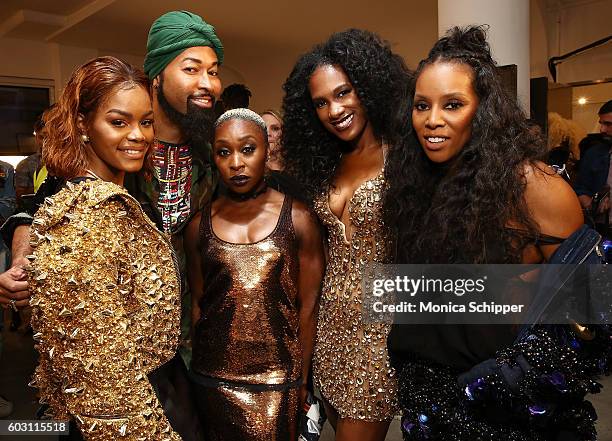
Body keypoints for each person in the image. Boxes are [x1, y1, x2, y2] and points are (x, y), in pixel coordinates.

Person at [0, 10, 223, 440]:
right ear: (157, 75)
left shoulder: (213, 153)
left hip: (188, 350)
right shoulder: (109, 166)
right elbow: (45, 210)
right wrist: (23, 258)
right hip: (119, 358)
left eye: (213, 72)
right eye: (191, 68)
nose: (206, 83)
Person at [385, 26, 608, 440]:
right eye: (421, 106)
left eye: (453, 104)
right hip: (425, 408)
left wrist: (493, 383)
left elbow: (588, 322)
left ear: (483, 111)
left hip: (508, 417)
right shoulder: (413, 187)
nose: (432, 120)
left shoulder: (537, 188)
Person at [27, 56, 181, 440]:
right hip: (122, 417)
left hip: (154, 392)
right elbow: (102, 381)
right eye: (118, 122)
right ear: (83, 124)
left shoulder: (121, 200)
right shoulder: (81, 221)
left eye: (145, 122)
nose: (138, 135)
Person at [282, 29, 411, 440]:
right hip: (328, 329)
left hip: (379, 332)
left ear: (368, 88)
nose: (334, 109)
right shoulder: (324, 165)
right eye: (321, 102)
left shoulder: (405, 158)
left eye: (343, 93)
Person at [185, 108, 324, 440]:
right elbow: (199, 307)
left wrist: (302, 380)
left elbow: (308, 308)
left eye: (247, 149)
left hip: (277, 381)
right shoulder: (197, 226)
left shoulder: (299, 218)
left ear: (266, 149)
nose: (236, 162)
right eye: (224, 152)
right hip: (212, 378)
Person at [574, 100, 612, 235]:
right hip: (600, 231)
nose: (602, 129)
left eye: (608, 124)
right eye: (601, 123)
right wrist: (592, 205)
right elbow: (580, 188)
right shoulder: (594, 154)